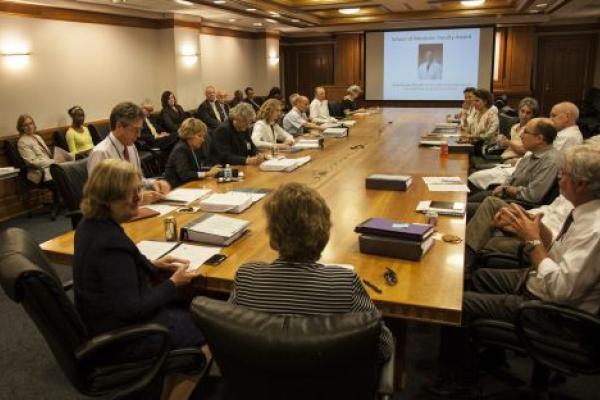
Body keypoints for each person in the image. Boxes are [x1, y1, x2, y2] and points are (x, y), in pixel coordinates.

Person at [431, 142, 600, 397]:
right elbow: (558, 255)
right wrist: (536, 227)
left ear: (582, 184)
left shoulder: (595, 231)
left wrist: (531, 239)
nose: (559, 178)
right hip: (538, 282)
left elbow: (561, 290)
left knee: (455, 303)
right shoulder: (584, 211)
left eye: (563, 174)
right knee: (475, 277)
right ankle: (491, 353)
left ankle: (461, 381)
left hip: (556, 315)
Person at [73, 159, 206, 396]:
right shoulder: (109, 243)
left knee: (196, 309)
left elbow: (114, 272)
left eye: (138, 189)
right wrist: (173, 283)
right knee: (211, 329)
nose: (139, 197)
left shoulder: (90, 224)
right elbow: (132, 309)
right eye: (132, 193)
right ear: (108, 198)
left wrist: (152, 265)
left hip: (105, 321)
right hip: (124, 336)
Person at [229, 182, 393, 362]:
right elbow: (383, 347)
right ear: (325, 235)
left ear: (272, 239)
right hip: (329, 386)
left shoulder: (247, 277)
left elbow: (229, 334)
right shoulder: (343, 283)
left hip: (258, 384)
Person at [467, 118, 559, 214]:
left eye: (526, 132)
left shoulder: (550, 162)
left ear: (539, 139)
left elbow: (533, 195)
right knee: (465, 201)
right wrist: (504, 187)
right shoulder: (531, 154)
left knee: (464, 209)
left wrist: (506, 189)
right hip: (506, 195)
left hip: (518, 206)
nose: (521, 135)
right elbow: (513, 177)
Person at [88, 102, 170, 204]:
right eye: (135, 130)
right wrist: (137, 199)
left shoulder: (131, 147)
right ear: (119, 126)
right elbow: (99, 197)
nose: (139, 135)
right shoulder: (101, 153)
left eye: (140, 130)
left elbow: (138, 180)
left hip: (134, 209)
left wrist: (154, 183)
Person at [468, 97, 539, 191]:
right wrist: (502, 142)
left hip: (512, 162)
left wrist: (508, 143)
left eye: (528, 113)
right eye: (522, 111)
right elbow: (510, 145)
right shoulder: (515, 127)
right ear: (518, 111)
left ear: (533, 115)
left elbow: (525, 151)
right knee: (471, 170)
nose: (524, 115)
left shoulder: (531, 131)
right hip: (503, 157)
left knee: (473, 174)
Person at [165, 118, 220, 188]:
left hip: (189, 185)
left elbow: (196, 170)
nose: (203, 140)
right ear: (189, 135)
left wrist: (211, 170)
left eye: (203, 136)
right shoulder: (180, 149)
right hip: (177, 188)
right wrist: (207, 174)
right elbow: (185, 175)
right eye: (199, 136)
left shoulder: (194, 147)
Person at [16, 114, 58, 184]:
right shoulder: (22, 142)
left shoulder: (37, 137)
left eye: (31, 123)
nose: (29, 127)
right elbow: (34, 163)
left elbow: (47, 155)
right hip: (39, 173)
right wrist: (54, 161)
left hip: (50, 168)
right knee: (63, 179)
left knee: (69, 173)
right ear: (21, 128)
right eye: (25, 125)